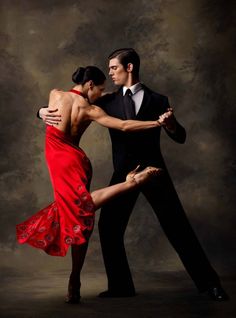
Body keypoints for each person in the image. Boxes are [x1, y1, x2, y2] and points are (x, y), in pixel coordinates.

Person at [38, 49, 229, 301]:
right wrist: (40, 112)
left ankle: (210, 285)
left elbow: (180, 136)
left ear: (129, 67)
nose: (110, 73)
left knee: (177, 227)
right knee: (108, 227)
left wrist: (170, 124)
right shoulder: (106, 101)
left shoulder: (159, 100)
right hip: (123, 173)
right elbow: (70, 103)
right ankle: (120, 286)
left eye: (114, 68)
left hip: (154, 170)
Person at [16, 65, 163, 304]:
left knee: (80, 211)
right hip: (75, 161)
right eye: (100, 89)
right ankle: (75, 279)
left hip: (61, 162)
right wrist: (157, 123)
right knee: (80, 220)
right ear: (91, 85)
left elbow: (55, 107)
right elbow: (124, 125)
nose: (102, 95)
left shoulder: (55, 94)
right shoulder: (90, 109)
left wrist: (40, 111)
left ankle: (132, 183)